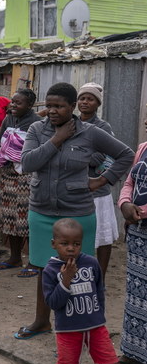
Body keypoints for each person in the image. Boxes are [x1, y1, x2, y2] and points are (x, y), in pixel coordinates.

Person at [15, 82, 134, 340]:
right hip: (42, 212)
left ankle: (78, 328)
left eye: (59, 106)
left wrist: (103, 180)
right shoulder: (37, 128)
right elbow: (27, 163)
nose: (53, 110)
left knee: (78, 273)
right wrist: (57, 139)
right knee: (44, 269)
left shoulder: (91, 133)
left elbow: (126, 154)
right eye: (49, 106)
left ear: (72, 107)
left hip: (78, 213)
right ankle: (41, 321)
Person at [42, 218, 120, 364]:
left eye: (76, 244)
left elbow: (99, 291)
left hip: (96, 327)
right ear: (53, 244)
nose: (71, 248)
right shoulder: (50, 270)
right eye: (64, 243)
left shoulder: (91, 263)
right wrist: (66, 280)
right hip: (68, 330)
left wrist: (99, 316)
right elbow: (53, 303)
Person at [0, 89, 40, 277]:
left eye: (19, 103)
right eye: (13, 102)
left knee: (27, 220)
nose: (13, 106)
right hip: (8, 174)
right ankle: (15, 257)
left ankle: (34, 261)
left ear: (30, 105)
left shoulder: (37, 123)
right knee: (9, 218)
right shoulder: (8, 119)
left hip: (27, 175)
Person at [77, 82, 117, 280]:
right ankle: (81, 273)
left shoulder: (103, 127)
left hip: (98, 190)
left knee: (102, 235)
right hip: (76, 189)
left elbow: (99, 157)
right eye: (82, 98)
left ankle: (100, 275)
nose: (85, 102)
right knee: (78, 235)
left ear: (97, 104)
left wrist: (76, 154)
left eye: (90, 99)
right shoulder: (71, 122)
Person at [118, 125, 147, 364]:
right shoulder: (143, 148)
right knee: (137, 292)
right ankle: (133, 349)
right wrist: (125, 203)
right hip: (139, 232)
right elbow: (129, 182)